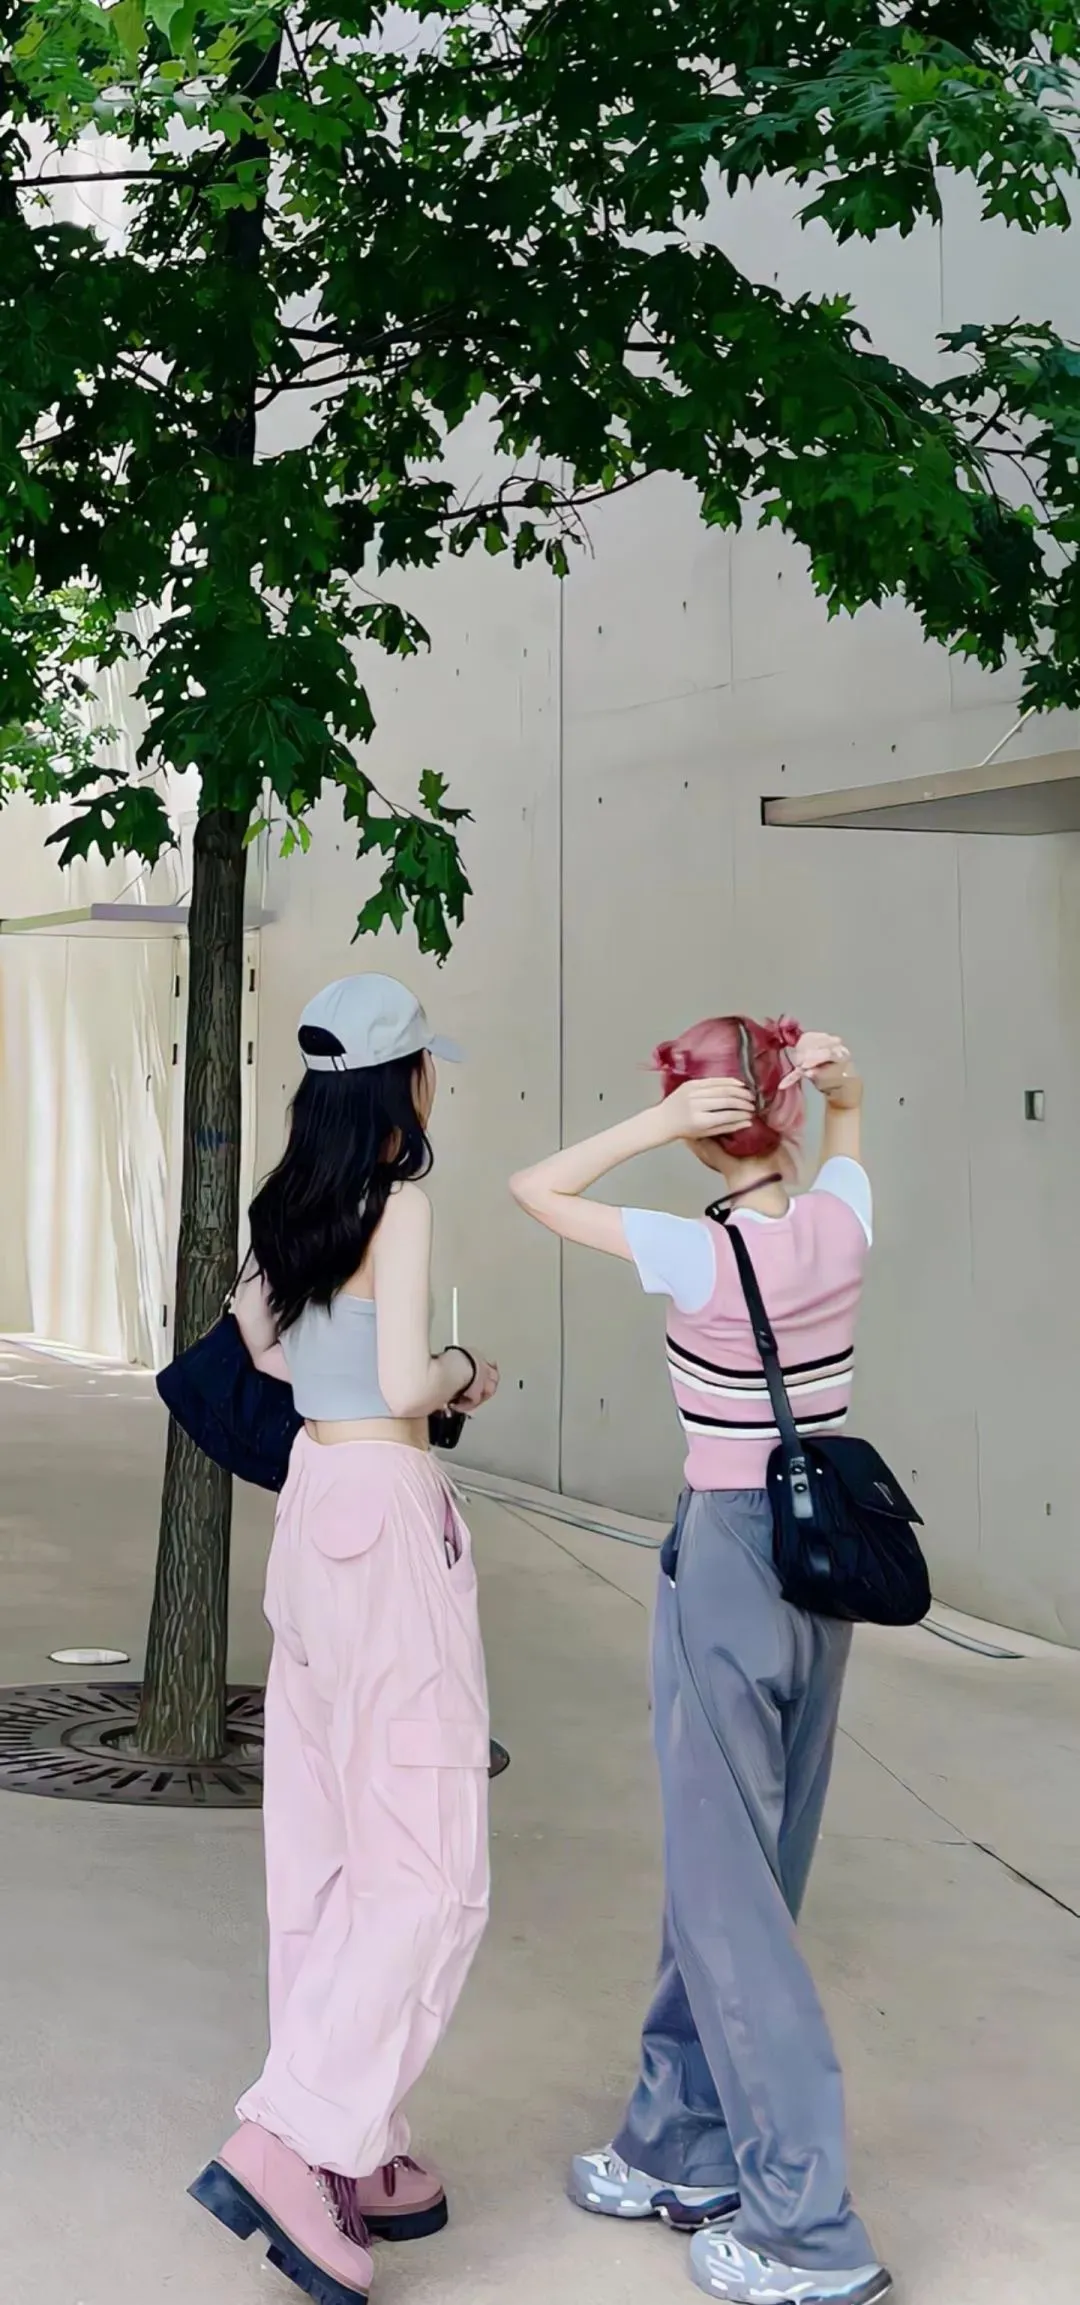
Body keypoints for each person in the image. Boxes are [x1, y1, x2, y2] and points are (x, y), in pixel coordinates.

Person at [511, 1015, 890, 2305]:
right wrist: (846, 1098)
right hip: (822, 1561)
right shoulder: (839, 1224)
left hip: (728, 1553)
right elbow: (847, 1147)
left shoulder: (696, 1249)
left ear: (701, 1126)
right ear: (787, 1112)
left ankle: (806, 2228)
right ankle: (679, 2140)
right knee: (737, 1869)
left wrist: (653, 1126)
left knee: (732, 1900)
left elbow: (536, 1190)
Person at [190, 974, 499, 2305]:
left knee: (323, 1843)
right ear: (402, 1082)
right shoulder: (400, 1200)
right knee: (430, 1860)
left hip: (313, 1504)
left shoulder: (296, 1202)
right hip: (384, 1491)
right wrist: (465, 1371)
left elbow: (257, 1342)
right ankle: (298, 2136)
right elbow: (405, 1380)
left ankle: (347, 2134)